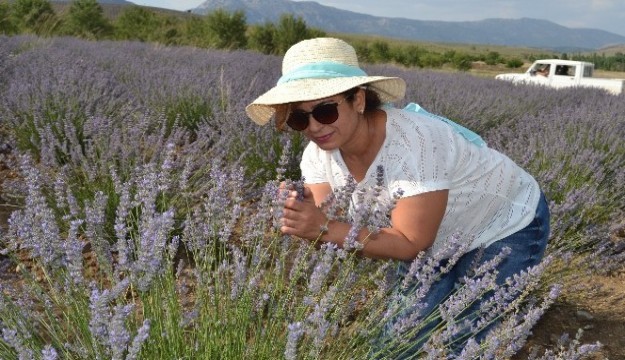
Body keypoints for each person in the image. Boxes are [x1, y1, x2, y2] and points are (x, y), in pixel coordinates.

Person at [245, 37, 550, 353]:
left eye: (324, 111)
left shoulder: (416, 143)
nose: (313, 127)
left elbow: (408, 242)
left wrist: (320, 227)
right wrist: (299, 211)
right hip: (428, 236)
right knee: (396, 340)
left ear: (358, 100)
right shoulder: (317, 155)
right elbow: (331, 216)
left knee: (468, 336)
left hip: (501, 224)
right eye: (298, 118)